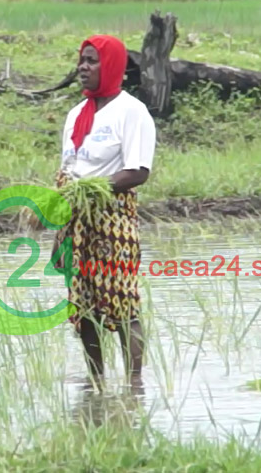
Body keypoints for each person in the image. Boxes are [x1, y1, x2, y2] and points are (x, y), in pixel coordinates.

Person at [52, 34, 156, 388]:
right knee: (83, 308)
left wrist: (91, 191)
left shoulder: (131, 112)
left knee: (122, 302)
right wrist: (61, 227)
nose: (83, 67)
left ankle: (134, 384)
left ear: (111, 66)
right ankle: (97, 382)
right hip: (76, 219)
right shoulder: (76, 115)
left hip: (114, 219)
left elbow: (138, 171)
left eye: (92, 61)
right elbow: (68, 171)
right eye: (82, 59)